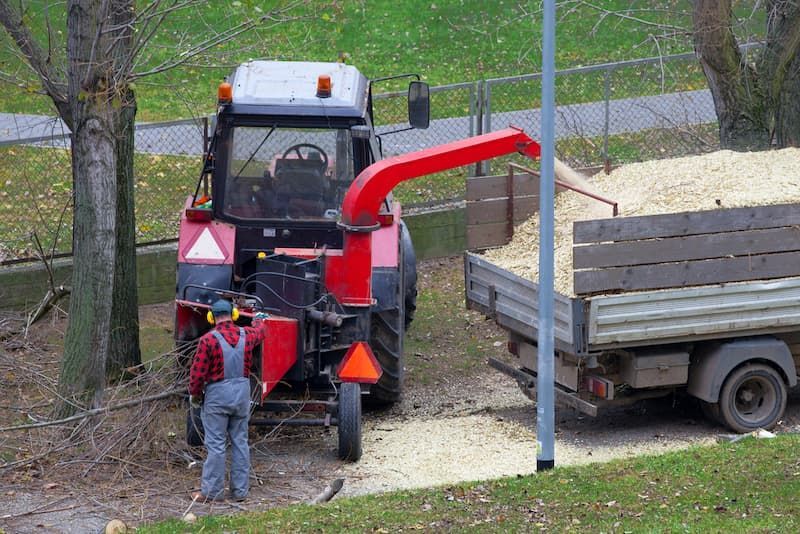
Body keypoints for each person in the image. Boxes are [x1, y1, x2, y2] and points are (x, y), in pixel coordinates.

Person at [188, 299, 268, 502]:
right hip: (242, 396)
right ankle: (240, 492)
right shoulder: (247, 335)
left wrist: (196, 396)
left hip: (217, 398)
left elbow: (197, 375)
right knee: (240, 442)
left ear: (212, 317)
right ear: (233, 314)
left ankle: (213, 493)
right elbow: (260, 332)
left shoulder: (208, 340)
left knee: (216, 445)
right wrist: (259, 319)